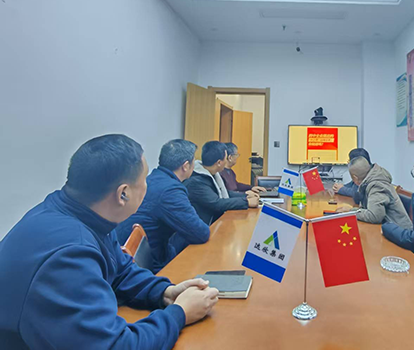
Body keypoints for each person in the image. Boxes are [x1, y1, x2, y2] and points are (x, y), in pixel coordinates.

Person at [0, 134, 218, 349]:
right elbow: (115, 346)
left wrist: (164, 292)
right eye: (144, 179)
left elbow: (121, 270)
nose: (148, 185)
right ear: (123, 194)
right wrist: (179, 313)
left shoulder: (86, 214)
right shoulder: (69, 255)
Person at [116, 139, 210, 273]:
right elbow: (200, 233)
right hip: (151, 267)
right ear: (185, 166)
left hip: (133, 259)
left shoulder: (154, 178)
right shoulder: (170, 190)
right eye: (193, 162)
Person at [185, 141, 260, 225]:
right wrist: (246, 202)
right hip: (205, 226)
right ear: (219, 163)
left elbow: (223, 192)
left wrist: (245, 195)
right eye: (225, 158)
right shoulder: (197, 181)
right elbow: (217, 203)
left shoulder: (212, 174)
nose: (226, 161)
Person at [335, 156, 412, 228]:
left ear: (355, 178)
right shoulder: (369, 181)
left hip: (400, 233)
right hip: (390, 228)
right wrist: (352, 211)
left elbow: (375, 216)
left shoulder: (377, 186)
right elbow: (367, 209)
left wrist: (351, 212)